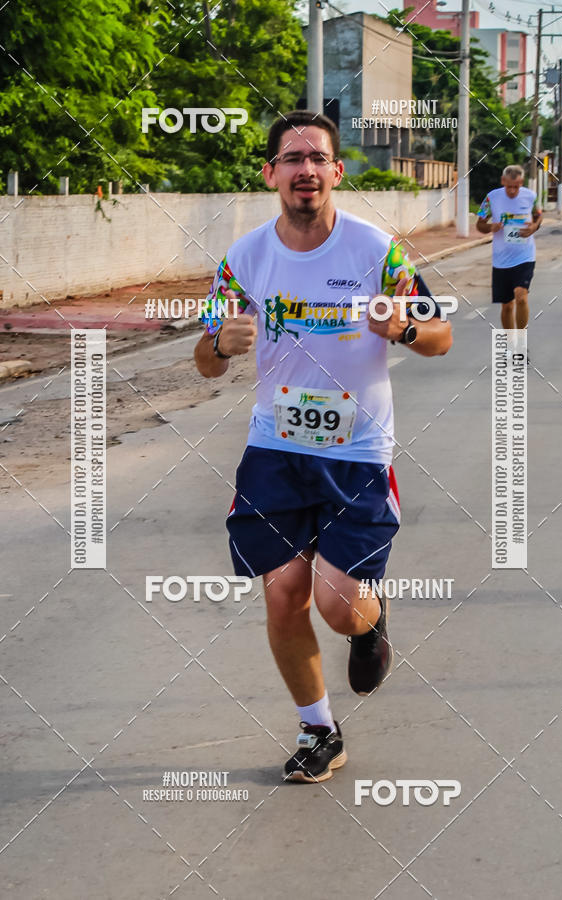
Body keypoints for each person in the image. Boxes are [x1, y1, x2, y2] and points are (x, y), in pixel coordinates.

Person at [194, 110, 452, 783]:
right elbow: (206, 359)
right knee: (283, 591)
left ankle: (368, 626)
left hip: (357, 453)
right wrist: (219, 345)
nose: (305, 169)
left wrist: (402, 330)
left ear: (336, 172)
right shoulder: (244, 258)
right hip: (275, 450)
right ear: (271, 172)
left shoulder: (378, 251)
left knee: (338, 606)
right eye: (291, 158)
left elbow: (440, 337)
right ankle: (319, 730)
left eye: (318, 159)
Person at [476, 165, 543, 339]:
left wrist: (534, 227)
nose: (512, 191)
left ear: (521, 182)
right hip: (501, 260)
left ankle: (521, 341)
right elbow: (479, 224)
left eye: (516, 186)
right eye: (509, 186)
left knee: (521, 297)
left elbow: (538, 216)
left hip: (525, 255)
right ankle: (510, 343)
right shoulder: (491, 198)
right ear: (503, 181)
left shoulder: (531, 196)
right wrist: (491, 226)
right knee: (507, 306)